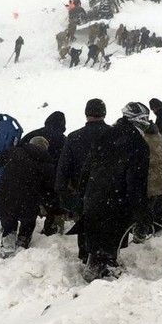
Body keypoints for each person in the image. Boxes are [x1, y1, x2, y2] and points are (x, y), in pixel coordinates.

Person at [76, 102, 151, 280]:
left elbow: (87, 168)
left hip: (93, 194)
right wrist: (141, 213)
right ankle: (104, 271)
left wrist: (83, 194)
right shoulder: (138, 145)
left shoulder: (106, 135)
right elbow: (136, 183)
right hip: (117, 199)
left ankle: (94, 265)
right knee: (111, 239)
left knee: (96, 235)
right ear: (139, 122)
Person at [0, 136, 54, 257]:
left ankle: (8, 242)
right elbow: (48, 190)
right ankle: (23, 240)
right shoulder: (48, 166)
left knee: (8, 222)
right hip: (28, 203)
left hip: (5, 199)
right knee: (28, 222)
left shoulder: (15, 151)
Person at [55, 99, 110, 261]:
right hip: (109, 190)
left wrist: (62, 191)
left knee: (85, 223)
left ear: (86, 114)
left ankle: (86, 256)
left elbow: (63, 168)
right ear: (104, 113)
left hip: (82, 192)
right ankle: (105, 257)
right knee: (106, 224)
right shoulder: (114, 135)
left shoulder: (73, 137)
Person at [21, 111, 67, 235]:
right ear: (63, 126)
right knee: (56, 200)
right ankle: (52, 227)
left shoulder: (31, 135)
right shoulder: (63, 140)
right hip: (50, 183)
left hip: (25, 181)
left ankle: (22, 233)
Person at [136, 119, 162, 239]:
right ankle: (160, 227)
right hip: (159, 178)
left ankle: (146, 230)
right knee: (161, 202)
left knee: (146, 207)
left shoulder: (140, 138)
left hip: (146, 180)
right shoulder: (158, 136)